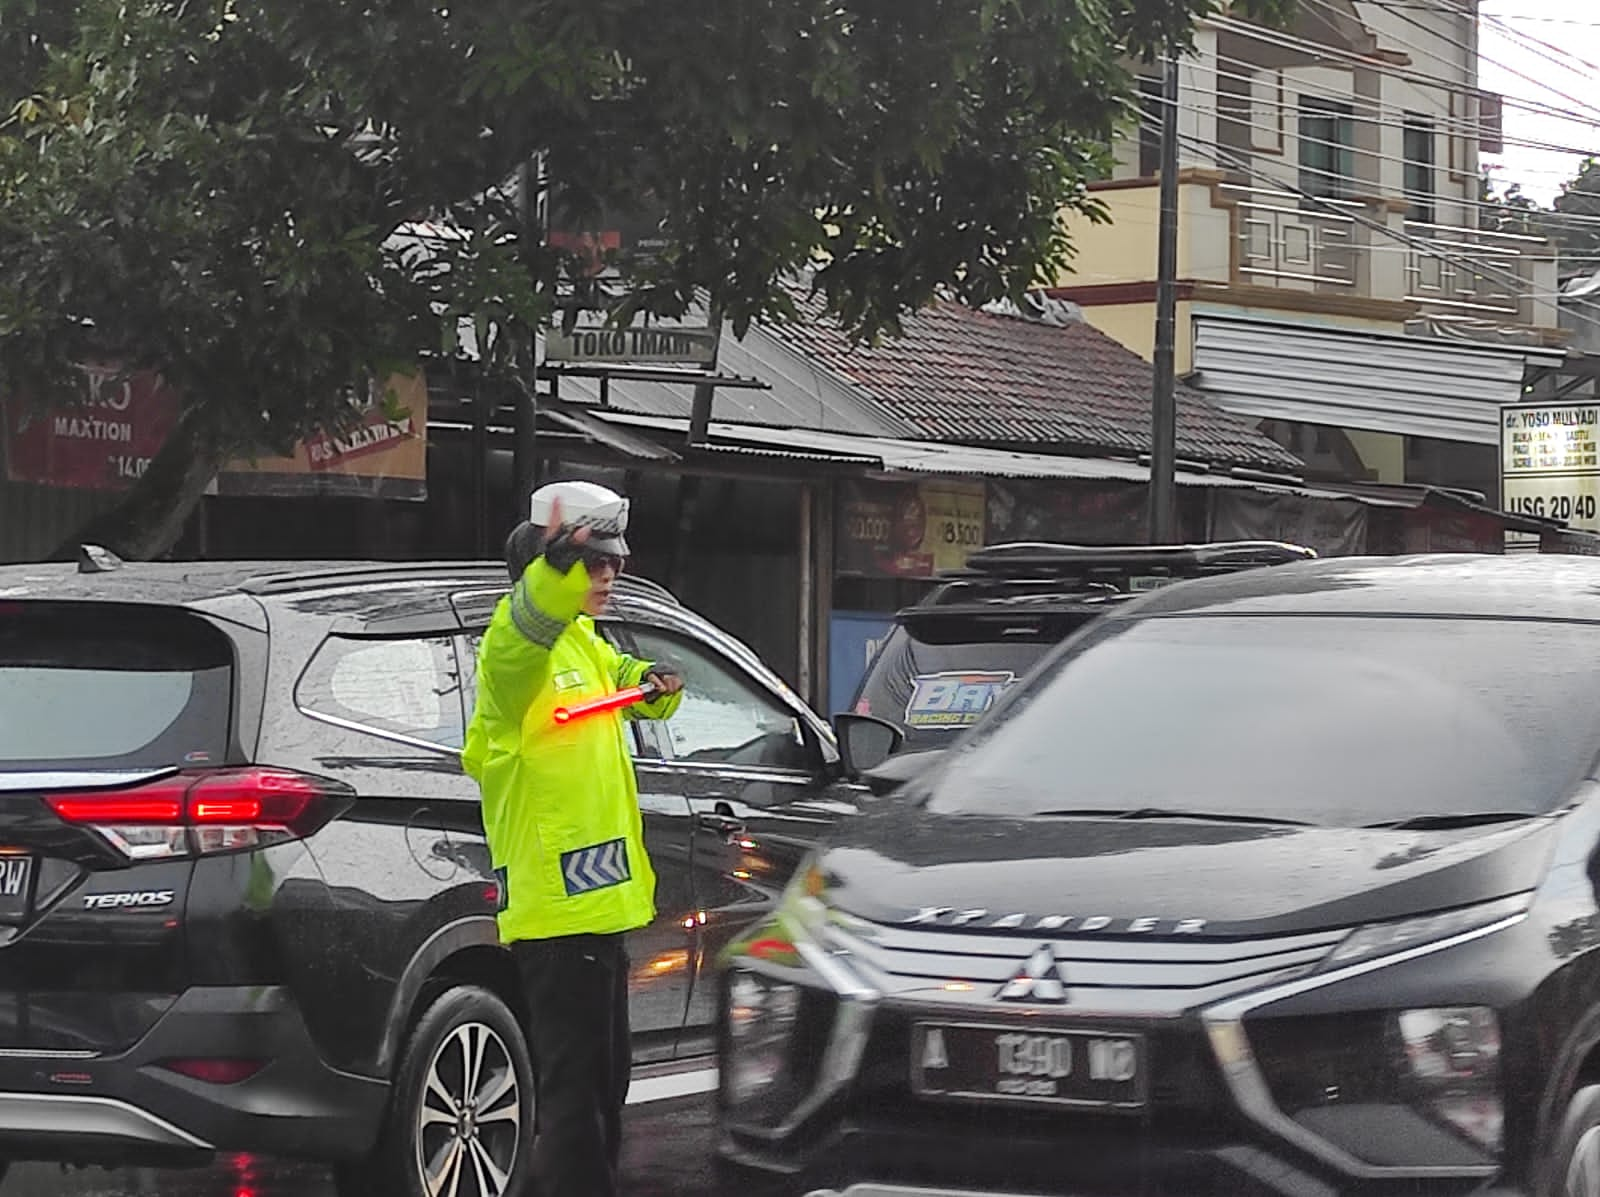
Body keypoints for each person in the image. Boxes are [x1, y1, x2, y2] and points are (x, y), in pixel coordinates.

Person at [461, 479, 684, 1197]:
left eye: (615, 563)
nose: (608, 576)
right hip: (557, 916)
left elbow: (624, 675)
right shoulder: (515, 651)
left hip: (598, 909)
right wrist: (555, 572)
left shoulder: (582, 643)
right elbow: (525, 631)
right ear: (541, 563)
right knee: (574, 1103)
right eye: (593, 565)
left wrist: (656, 682)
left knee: (600, 1090)